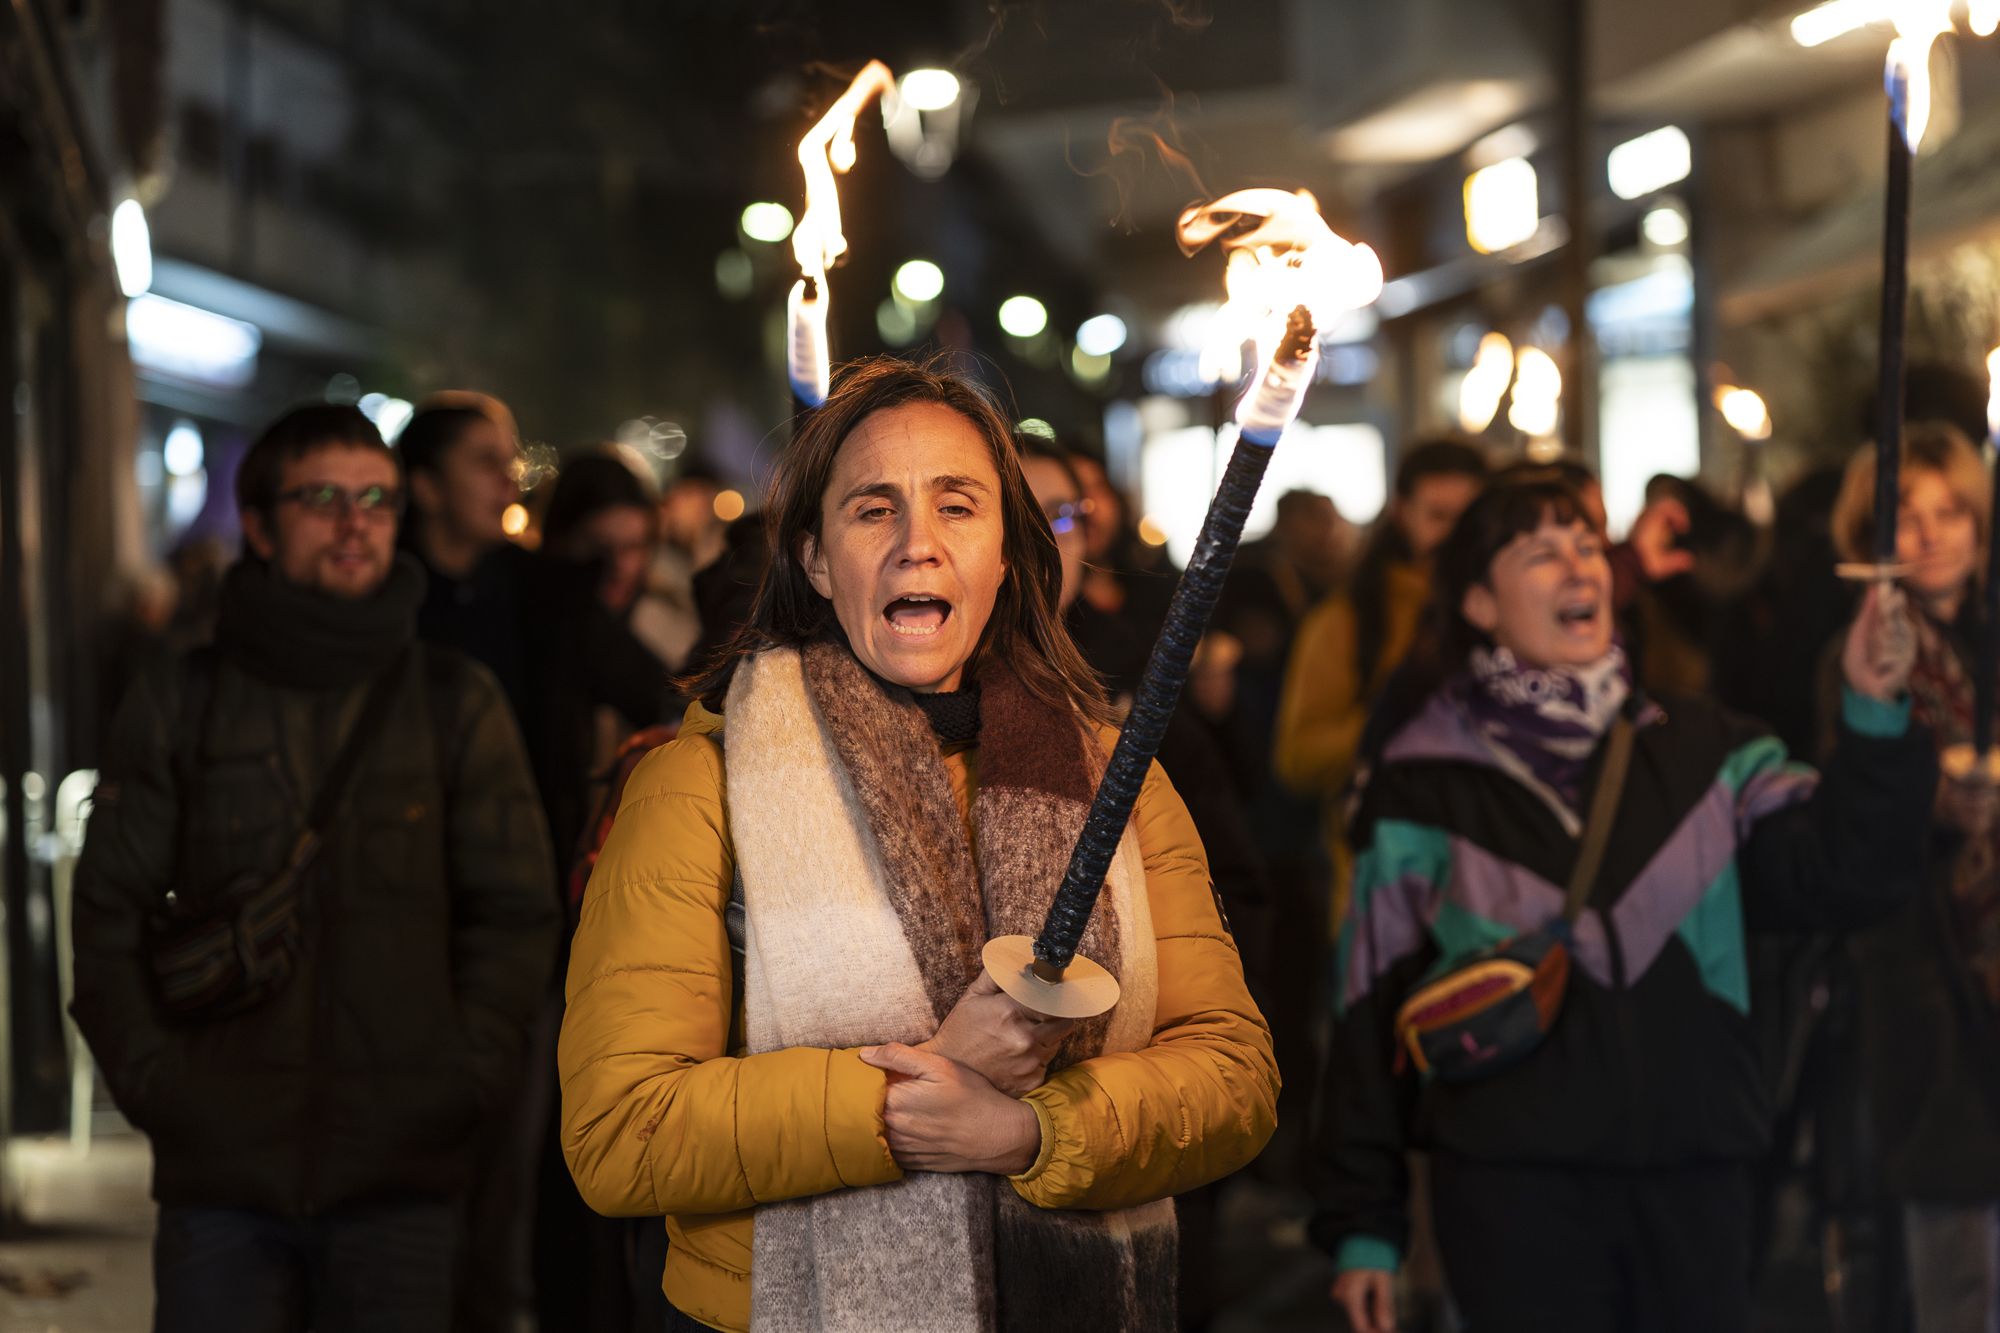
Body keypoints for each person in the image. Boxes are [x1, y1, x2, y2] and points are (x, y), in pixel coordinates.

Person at [558, 357, 1279, 1333]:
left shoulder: (1117, 776)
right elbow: (619, 1132)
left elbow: (1233, 1073)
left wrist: (1026, 1128)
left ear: (1004, 560)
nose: (916, 546)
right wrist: (904, 1101)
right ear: (815, 560)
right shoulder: (698, 786)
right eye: (871, 509)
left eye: (957, 507)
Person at [1312, 469, 1932, 1333]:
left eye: (1587, 545)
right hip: (1510, 1189)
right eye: (1541, 552)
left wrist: (1874, 713)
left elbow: (1846, 873)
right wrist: (1364, 1224)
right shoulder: (1421, 779)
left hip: (1698, 1176)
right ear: (1480, 604)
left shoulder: (1714, 750)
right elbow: (1365, 1009)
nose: (1581, 567)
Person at [69, 403, 559, 1332]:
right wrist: (165, 1092)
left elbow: (516, 915)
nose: (355, 521)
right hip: (223, 1183)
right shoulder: (183, 698)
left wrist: (460, 1082)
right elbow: (106, 914)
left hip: (399, 1180)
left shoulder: (455, 702)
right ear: (257, 523)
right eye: (321, 498)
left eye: (374, 498)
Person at [1828, 426, 2000, 1332]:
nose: (1933, 534)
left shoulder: (1985, 636)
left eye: (1953, 512)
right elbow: (1840, 800)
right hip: (1925, 978)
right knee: (1954, 1252)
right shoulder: (1867, 648)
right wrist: (1932, 800)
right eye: (1907, 514)